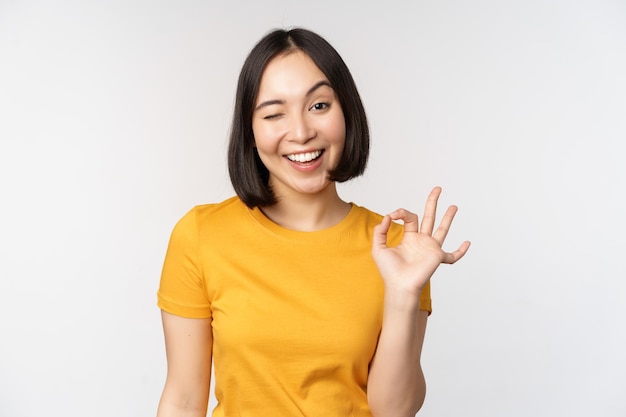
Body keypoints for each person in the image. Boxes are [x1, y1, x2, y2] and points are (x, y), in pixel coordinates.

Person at [156, 27, 470, 417]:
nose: (302, 133)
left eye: (319, 106)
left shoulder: (399, 249)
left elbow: (395, 410)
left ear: (347, 112)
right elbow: (183, 400)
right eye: (274, 113)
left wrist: (404, 293)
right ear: (251, 132)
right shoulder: (201, 235)